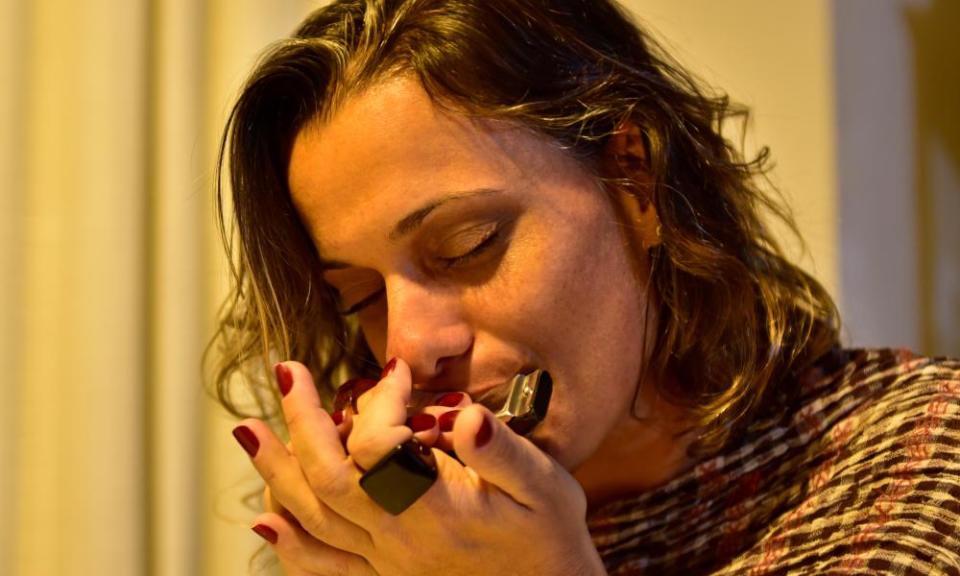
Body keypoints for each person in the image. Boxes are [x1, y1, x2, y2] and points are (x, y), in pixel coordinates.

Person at [209, 0, 960, 574]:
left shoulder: (927, 462)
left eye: (469, 244)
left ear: (633, 179)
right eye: (360, 297)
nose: (407, 345)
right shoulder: (406, 539)